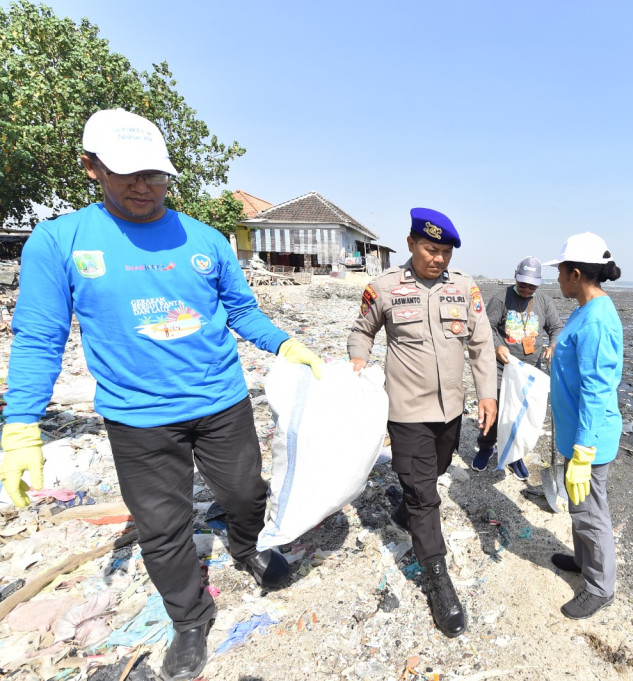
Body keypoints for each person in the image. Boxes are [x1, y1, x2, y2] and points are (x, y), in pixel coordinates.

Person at [0, 109, 325, 681]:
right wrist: (21, 423)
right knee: (162, 525)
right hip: (137, 417)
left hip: (221, 401)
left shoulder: (202, 239)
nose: (143, 186)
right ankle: (190, 618)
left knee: (247, 491)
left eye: (154, 174)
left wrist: (285, 345)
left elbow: (242, 311)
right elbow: (38, 335)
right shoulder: (60, 240)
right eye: (127, 174)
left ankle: (246, 546)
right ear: (91, 167)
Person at [347, 207, 497, 638]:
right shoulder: (383, 289)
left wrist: (487, 393)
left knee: (436, 470)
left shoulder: (465, 289)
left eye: (446, 251)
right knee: (425, 496)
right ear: (411, 243)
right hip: (407, 412)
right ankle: (438, 579)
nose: (439, 259)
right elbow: (363, 331)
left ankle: (406, 507)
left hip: (450, 410)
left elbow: (481, 343)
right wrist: (359, 358)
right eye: (431, 249)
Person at [543, 232, 623, 620]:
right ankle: (582, 559)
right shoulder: (582, 309)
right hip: (577, 433)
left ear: (576, 274)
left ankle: (600, 587)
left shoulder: (598, 320)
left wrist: (584, 451)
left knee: (591, 512)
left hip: (589, 438)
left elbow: (597, 388)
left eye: (559, 271)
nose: (556, 278)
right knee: (580, 506)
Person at [472, 256, 563, 479]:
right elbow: (487, 328)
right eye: (522, 284)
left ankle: (515, 455)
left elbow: (556, 327)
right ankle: (485, 447)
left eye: (531, 285)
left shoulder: (543, 302)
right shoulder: (501, 298)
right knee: (495, 411)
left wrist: (553, 344)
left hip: (530, 372)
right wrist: (497, 347)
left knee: (519, 417)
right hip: (503, 369)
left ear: (539, 283)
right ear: (515, 277)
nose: (526, 289)